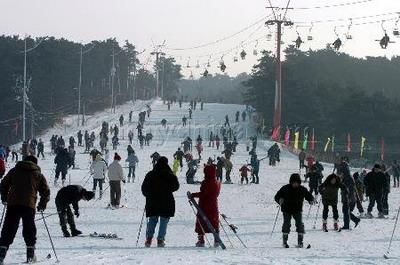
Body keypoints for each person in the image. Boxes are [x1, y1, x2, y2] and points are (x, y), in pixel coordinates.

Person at [0, 156, 50, 263]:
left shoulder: (14, 171)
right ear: (35, 163)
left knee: (9, 228)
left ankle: (1, 253)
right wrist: (42, 205)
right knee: (29, 229)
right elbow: (45, 192)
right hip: (29, 205)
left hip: (13, 204)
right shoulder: (38, 174)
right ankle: (30, 255)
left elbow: (3, 184)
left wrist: (4, 198)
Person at [141, 157, 179, 247]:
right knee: (164, 220)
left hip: (152, 201)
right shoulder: (170, 174)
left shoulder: (150, 174)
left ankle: (149, 239)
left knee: (152, 220)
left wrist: (148, 195)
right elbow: (176, 186)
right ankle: (160, 240)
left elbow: (144, 188)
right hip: (166, 201)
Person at [274, 173, 314, 248]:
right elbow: (277, 196)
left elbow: (309, 196)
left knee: (300, 224)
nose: (295, 184)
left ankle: (300, 242)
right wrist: (279, 200)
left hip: (297, 210)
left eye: (297, 182)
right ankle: (285, 241)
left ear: (299, 182)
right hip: (286, 209)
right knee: (286, 224)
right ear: (291, 182)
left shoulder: (302, 189)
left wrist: (311, 200)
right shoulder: (285, 188)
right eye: (293, 182)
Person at [190, 165, 221, 247]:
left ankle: (201, 240)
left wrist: (193, 195)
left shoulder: (206, 182)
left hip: (204, 205)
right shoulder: (217, 182)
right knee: (214, 221)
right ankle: (216, 239)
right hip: (213, 205)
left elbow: (204, 194)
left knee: (201, 221)